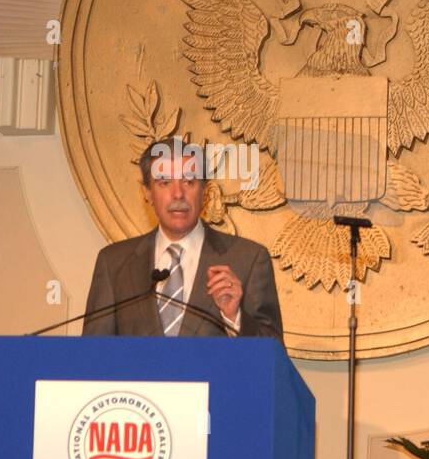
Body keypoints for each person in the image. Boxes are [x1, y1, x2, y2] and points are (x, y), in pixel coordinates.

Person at [82, 136, 284, 340]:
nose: (178, 194)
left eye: (189, 181)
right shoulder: (114, 264)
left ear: (204, 191)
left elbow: (273, 358)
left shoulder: (248, 259)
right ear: (148, 193)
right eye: (165, 182)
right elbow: (92, 358)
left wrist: (234, 318)